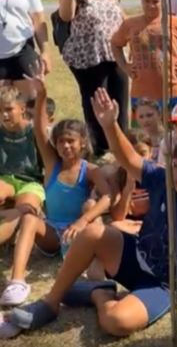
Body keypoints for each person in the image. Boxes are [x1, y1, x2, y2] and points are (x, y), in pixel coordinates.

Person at [2, 89, 177, 339]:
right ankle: (50, 303)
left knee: (115, 322)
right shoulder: (162, 179)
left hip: (165, 285)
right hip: (134, 256)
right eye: (174, 166)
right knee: (93, 232)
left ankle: (100, 292)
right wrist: (109, 124)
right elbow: (127, 158)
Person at [0, 74, 111, 308]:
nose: (66, 146)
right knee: (30, 219)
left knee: (92, 211)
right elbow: (40, 131)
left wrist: (82, 222)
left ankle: (94, 272)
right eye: (61, 142)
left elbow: (108, 198)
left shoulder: (90, 170)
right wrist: (40, 97)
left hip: (78, 234)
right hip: (52, 234)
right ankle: (17, 281)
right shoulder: (52, 165)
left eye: (71, 141)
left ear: (83, 143)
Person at [58, 0, 128, 154]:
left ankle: (122, 145)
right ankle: (99, 148)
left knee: (119, 99)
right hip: (88, 58)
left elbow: (121, 15)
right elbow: (66, 16)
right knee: (97, 102)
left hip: (114, 54)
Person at [111, 0, 177, 124]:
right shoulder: (130, 24)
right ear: (141, 0)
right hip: (142, 92)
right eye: (146, 1)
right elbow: (115, 44)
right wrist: (124, 65)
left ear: (163, 2)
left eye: (156, 1)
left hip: (175, 90)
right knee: (144, 138)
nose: (151, 5)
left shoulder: (174, 22)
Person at [0, 86, 43, 248]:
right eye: (0, 110)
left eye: (9, 109)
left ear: (22, 108)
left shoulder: (36, 131)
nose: (4, 114)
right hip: (5, 178)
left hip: (31, 181)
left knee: (23, 211)